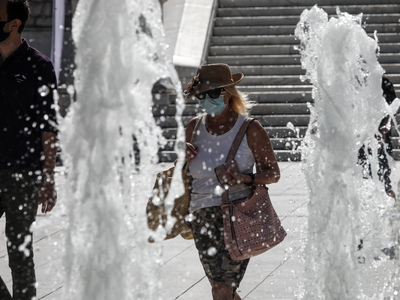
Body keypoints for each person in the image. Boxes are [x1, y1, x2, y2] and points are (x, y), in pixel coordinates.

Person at [184, 63, 280, 300]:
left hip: (236, 217)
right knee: (222, 290)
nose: (207, 99)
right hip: (200, 216)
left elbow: (273, 173)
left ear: (228, 94)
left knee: (221, 290)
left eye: (214, 93)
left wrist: (245, 178)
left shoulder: (250, 129)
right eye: (202, 95)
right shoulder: (193, 128)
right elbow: (185, 174)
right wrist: (182, 159)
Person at [0, 0, 58, 299]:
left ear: (14, 24)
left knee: (19, 249)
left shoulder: (39, 66)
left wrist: (48, 178)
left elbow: (49, 127)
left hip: (23, 173)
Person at [358, 76, 397, 200]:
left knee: (383, 172)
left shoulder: (384, 83)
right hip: (361, 136)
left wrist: (384, 130)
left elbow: (393, 109)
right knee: (359, 171)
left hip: (381, 135)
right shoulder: (356, 83)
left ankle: (389, 200)